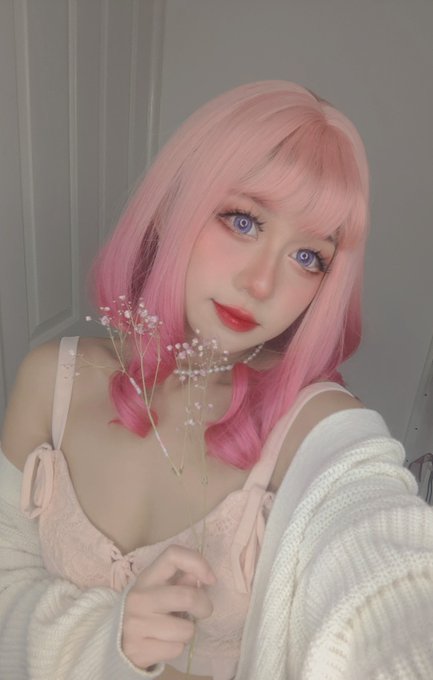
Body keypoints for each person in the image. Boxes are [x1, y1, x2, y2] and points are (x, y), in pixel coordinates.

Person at [1, 80, 432, 680]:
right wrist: (109, 637)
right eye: (244, 221)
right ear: (173, 206)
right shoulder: (51, 380)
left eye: (308, 257)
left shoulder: (312, 425)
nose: (261, 283)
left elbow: (385, 577)